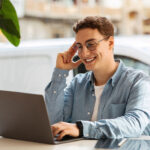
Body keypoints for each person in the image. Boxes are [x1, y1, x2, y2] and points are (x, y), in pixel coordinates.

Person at [45, 16, 150, 141]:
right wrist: (60, 73)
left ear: (110, 43)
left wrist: (81, 128)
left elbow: (134, 123)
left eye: (91, 44)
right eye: (79, 46)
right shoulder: (77, 84)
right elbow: (55, 124)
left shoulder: (138, 81)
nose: (83, 53)